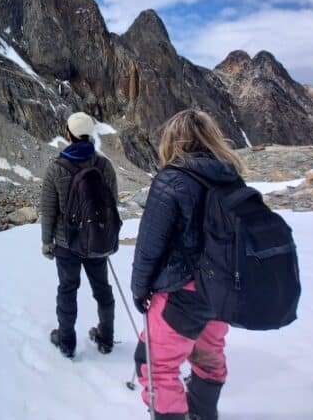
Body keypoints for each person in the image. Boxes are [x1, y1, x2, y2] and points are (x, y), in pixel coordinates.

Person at [131, 109, 246, 420]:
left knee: (155, 366)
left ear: (172, 140)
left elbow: (149, 247)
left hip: (183, 294)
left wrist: (140, 289)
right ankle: (203, 414)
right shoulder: (232, 178)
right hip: (222, 293)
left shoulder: (171, 180)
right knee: (209, 355)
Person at [40, 112, 119, 358]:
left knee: (67, 289)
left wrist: (46, 241)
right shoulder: (104, 165)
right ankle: (106, 338)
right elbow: (112, 203)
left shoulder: (56, 168)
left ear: (69, 134)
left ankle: (66, 342)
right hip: (96, 240)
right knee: (103, 289)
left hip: (67, 243)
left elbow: (48, 209)